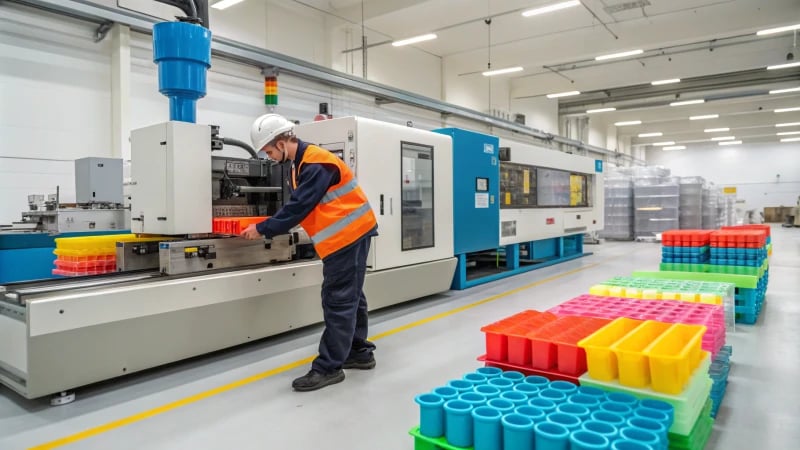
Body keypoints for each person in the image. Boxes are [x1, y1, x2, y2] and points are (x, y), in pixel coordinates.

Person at [241, 113, 378, 392]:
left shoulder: (316, 163)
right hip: (345, 237)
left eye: (269, 151)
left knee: (338, 299)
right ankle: (358, 352)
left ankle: (328, 368)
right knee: (352, 295)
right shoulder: (299, 164)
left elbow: (298, 207)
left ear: (281, 143)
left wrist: (263, 228)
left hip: (348, 236)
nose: (269, 157)